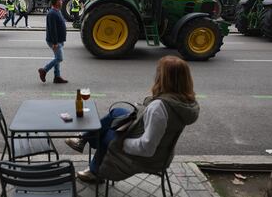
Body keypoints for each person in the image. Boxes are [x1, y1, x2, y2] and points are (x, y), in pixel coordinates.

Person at [65, 56, 200, 182]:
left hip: (150, 157)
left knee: (107, 133)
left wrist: (120, 142)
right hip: (163, 151)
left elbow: (147, 148)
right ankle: (84, 139)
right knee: (117, 112)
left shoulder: (159, 107)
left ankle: (95, 171)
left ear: (164, 78)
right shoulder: (184, 101)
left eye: (158, 72)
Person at [38, 0, 68, 84]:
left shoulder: (57, 11)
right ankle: (44, 70)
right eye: (60, 1)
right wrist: (55, 43)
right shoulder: (52, 13)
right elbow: (52, 29)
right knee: (59, 58)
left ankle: (57, 77)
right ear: (56, 3)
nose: (62, 2)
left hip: (59, 40)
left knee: (57, 58)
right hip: (54, 41)